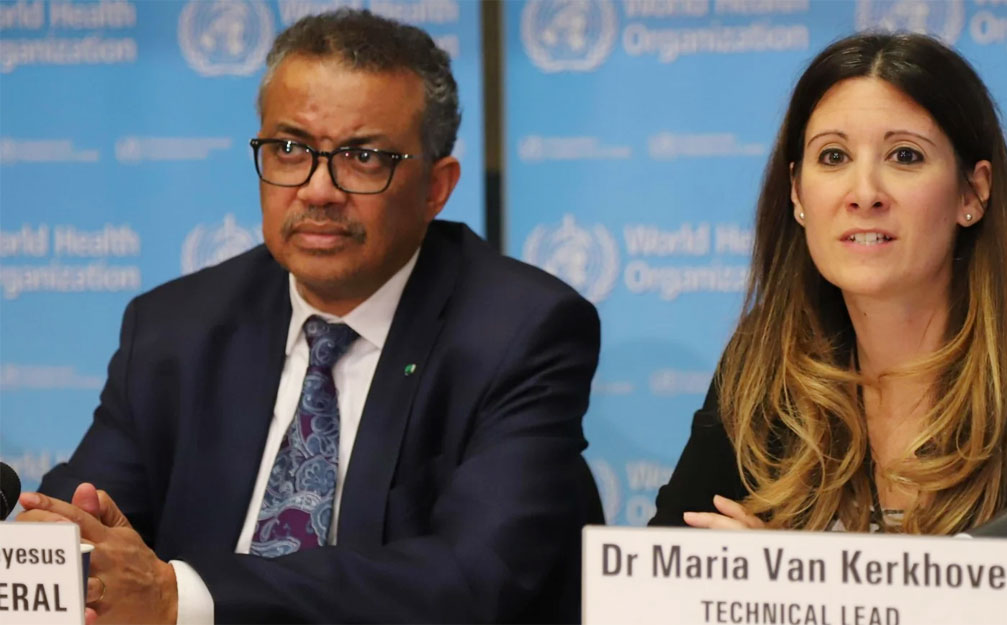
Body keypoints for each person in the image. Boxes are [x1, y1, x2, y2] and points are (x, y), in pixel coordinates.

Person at [16, 9, 600, 624]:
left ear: (436, 187)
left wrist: (178, 595)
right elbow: (80, 524)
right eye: (291, 149)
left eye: (364, 157)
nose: (319, 190)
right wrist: (49, 548)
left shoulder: (521, 332)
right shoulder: (175, 328)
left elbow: (471, 579)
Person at [649, 32, 1007, 624]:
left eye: (905, 156)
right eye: (833, 157)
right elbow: (670, 567)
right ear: (797, 193)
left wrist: (787, 583)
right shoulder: (770, 351)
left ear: (972, 192)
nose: (864, 194)